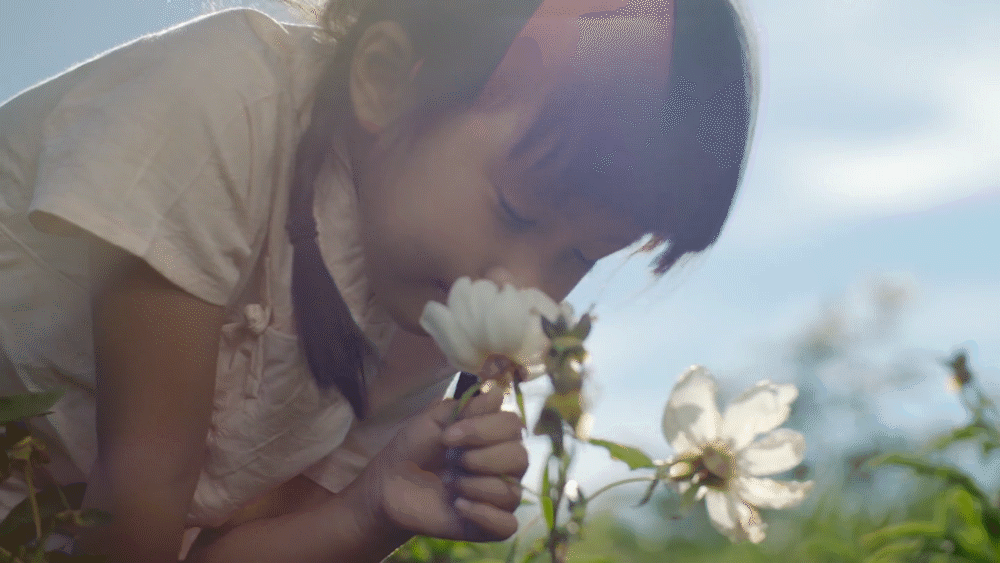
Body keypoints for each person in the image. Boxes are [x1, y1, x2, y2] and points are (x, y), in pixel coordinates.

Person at [0, 0, 756, 560]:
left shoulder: (416, 320)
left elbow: (209, 552)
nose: (526, 289)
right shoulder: (224, 109)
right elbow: (139, 495)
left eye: (580, 258)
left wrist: (370, 511)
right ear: (384, 80)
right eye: (517, 213)